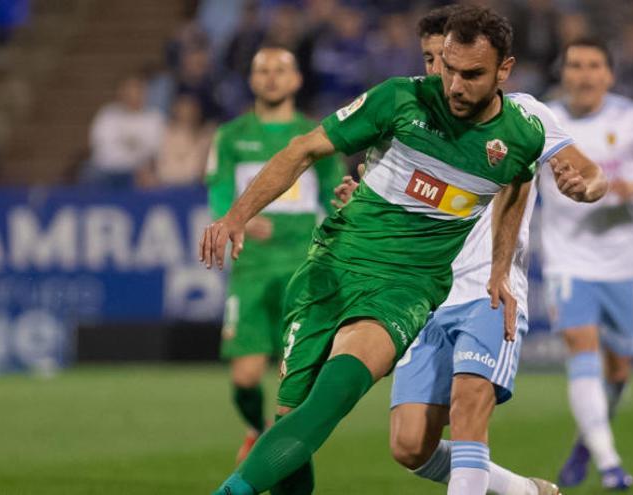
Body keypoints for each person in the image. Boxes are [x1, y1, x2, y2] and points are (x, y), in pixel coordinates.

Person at [201, 6, 546, 494]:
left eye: (472, 75)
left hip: (404, 289)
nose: (455, 86)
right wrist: (237, 215)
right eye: (447, 68)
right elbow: (304, 149)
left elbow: (516, 186)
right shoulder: (399, 100)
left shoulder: (520, 136)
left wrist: (499, 270)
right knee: (289, 417)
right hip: (332, 268)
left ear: (503, 71)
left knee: (329, 401)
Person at [330, 6, 608, 495]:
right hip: (420, 293)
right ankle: (523, 491)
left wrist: (582, 188)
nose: (444, 75)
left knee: (467, 413)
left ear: (497, 69)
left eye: (455, 65)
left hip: (488, 289)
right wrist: (362, 203)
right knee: (410, 445)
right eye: (434, 61)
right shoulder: (411, 115)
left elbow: (590, 173)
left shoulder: (524, 117)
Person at [205, 46, 344, 464]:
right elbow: (219, 190)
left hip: (302, 265)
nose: (270, 77)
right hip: (251, 267)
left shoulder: (316, 136)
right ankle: (256, 429)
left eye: (279, 69)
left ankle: (286, 450)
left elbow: (334, 193)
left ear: (297, 79)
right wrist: (235, 218)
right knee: (245, 376)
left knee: (295, 374)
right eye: (261, 69)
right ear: (251, 79)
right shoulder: (231, 136)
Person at [541, 37, 633, 491]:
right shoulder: (545, 121)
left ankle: (587, 443)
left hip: (623, 262)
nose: (583, 74)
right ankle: (610, 465)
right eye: (574, 65)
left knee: (621, 368)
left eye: (593, 65)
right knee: (580, 346)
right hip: (566, 260)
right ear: (563, 73)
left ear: (608, 75)